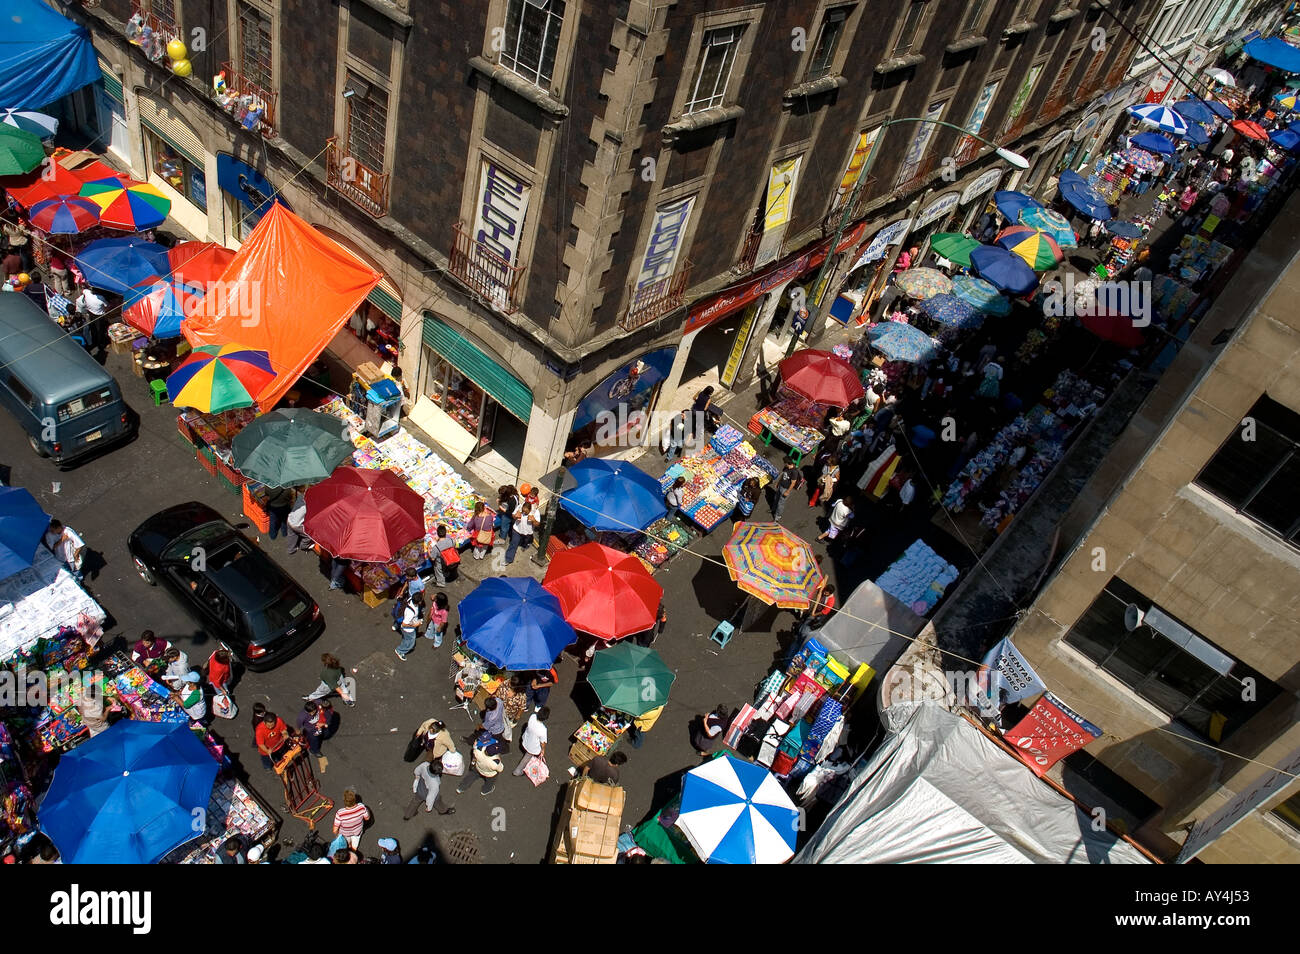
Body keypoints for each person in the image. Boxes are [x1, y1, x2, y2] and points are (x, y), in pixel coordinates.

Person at [296, 700, 336, 774]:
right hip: (311, 729)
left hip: (320, 724)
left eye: (314, 711)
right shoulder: (301, 717)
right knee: (314, 739)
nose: (313, 713)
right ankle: (314, 750)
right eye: (311, 713)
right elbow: (298, 727)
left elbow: (322, 701)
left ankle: (320, 738)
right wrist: (298, 732)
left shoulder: (317, 704)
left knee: (325, 734)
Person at [513, 706, 549, 778]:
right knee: (526, 758)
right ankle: (517, 771)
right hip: (532, 747)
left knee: (526, 753)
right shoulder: (543, 730)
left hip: (526, 739)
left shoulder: (532, 717)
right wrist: (543, 750)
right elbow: (543, 742)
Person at [770, 456, 804, 520]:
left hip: (785, 489)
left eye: (784, 463)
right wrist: (778, 483)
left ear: (787, 463)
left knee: (781, 503)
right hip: (781, 486)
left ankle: (777, 517)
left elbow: (793, 483)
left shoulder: (794, 472)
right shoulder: (786, 468)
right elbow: (783, 475)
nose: (784, 464)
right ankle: (773, 509)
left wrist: (787, 491)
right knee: (776, 498)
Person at [395, 591, 424, 660]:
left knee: (406, 639)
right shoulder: (410, 613)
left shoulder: (411, 599)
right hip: (408, 630)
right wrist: (415, 625)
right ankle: (400, 651)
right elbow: (404, 624)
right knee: (411, 643)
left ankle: (403, 645)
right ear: (419, 602)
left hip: (408, 627)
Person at [500, 676, 529, 742]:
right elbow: (500, 690)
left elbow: (521, 707)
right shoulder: (506, 683)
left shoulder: (521, 696)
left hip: (509, 713)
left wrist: (517, 717)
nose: (508, 684)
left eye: (511, 684)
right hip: (501, 708)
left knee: (506, 724)